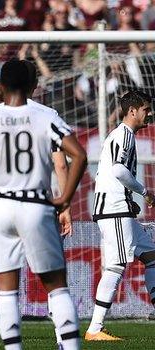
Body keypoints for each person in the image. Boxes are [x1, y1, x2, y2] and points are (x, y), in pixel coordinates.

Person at [0, 59, 87, 350]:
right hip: (36, 205)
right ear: (35, 85)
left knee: (6, 291)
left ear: (0, 87)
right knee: (57, 287)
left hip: (2, 209)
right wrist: (65, 198)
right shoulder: (46, 115)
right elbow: (78, 156)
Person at [85, 90, 155, 341]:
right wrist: (144, 192)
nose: (150, 113)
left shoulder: (124, 135)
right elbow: (118, 171)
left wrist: (130, 201)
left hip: (120, 206)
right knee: (116, 265)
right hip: (113, 208)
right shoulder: (123, 135)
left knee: (151, 256)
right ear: (132, 111)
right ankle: (94, 328)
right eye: (146, 109)